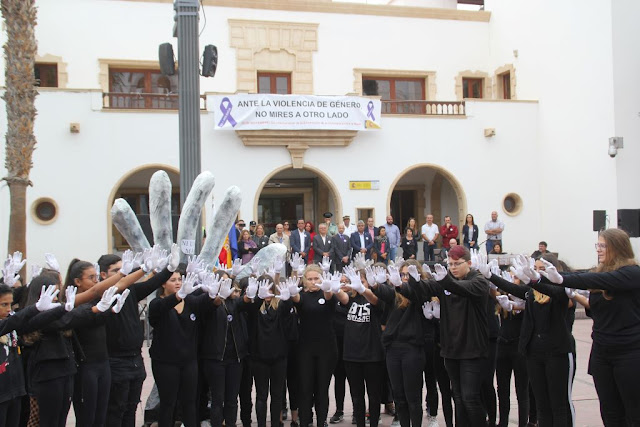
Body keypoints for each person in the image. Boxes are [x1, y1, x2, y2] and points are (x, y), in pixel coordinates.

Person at [539, 228, 640, 425]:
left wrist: (561, 278)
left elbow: (594, 280)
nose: (598, 249)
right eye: (598, 245)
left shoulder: (632, 273)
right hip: (602, 351)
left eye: (603, 246)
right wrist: (536, 279)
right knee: (610, 412)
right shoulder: (600, 273)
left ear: (618, 247)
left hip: (629, 353)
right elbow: (594, 301)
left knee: (633, 412)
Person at [481, 253, 575, 427]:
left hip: (557, 353)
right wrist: (490, 276)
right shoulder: (532, 292)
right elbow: (512, 288)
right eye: (536, 268)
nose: (537, 272)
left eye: (542, 269)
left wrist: (537, 281)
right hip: (535, 353)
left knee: (559, 404)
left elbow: (556, 293)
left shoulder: (560, 292)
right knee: (542, 405)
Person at [406, 246, 491, 426]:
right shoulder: (446, 281)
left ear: (469, 263)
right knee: (458, 397)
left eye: (457, 264)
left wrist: (445, 281)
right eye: (450, 264)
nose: (453, 267)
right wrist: (414, 281)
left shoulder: (478, 280)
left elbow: (462, 288)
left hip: (472, 350)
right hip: (451, 349)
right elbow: (427, 287)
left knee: (470, 398)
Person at [149, 266, 217, 427]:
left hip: (189, 362)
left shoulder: (191, 301)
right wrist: (179, 296)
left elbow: (210, 305)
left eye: (180, 279)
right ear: (163, 284)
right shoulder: (157, 304)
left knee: (190, 403)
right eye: (173, 280)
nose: (178, 283)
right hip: (165, 363)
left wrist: (214, 294)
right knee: (168, 403)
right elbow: (161, 308)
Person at [291, 265, 344, 427]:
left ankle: (322, 421)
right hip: (305, 349)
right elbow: (297, 300)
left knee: (322, 389)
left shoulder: (327, 294)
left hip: (327, 349)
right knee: (305, 388)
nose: (313, 282)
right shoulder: (302, 296)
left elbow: (329, 298)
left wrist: (327, 288)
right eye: (310, 279)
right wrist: (292, 291)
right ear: (305, 281)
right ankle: (305, 421)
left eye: (316, 278)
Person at [335, 267, 385, 427]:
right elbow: (343, 298)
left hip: (372, 355)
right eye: (355, 282)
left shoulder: (376, 298)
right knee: (357, 396)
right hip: (352, 355)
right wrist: (335, 288)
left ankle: (374, 422)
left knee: (374, 395)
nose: (358, 284)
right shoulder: (350, 298)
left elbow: (375, 301)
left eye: (362, 281)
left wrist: (363, 289)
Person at [243, 275, 295, 427]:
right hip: (259, 358)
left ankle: (275, 423)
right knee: (261, 395)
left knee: (277, 395)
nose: (267, 293)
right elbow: (249, 311)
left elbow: (288, 320)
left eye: (270, 289)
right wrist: (258, 298)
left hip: (279, 357)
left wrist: (288, 300)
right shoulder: (254, 307)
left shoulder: (279, 306)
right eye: (263, 289)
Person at [200, 273, 249, 427]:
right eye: (223, 281)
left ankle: (231, 423)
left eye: (228, 281)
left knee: (232, 399)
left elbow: (244, 303)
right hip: (216, 358)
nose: (226, 284)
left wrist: (250, 296)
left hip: (235, 357)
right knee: (217, 399)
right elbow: (209, 308)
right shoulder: (208, 302)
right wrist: (218, 297)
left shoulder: (233, 302)